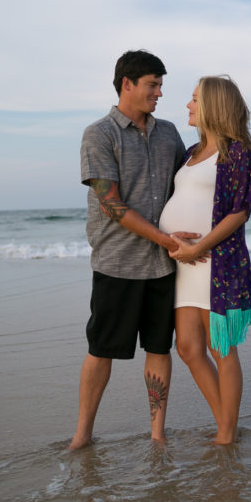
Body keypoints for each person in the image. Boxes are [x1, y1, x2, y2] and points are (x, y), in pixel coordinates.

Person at [69, 49, 201, 450]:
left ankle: (157, 434)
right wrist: (167, 239)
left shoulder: (169, 133)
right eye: (152, 85)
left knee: (159, 349)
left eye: (160, 85)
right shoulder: (99, 134)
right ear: (127, 83)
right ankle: (83, 433)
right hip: (117, 263)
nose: (159, 93)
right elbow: (113, 206)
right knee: (102, 349)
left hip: (163, 266)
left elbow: (189, 180)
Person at [159, 76, 251, 445]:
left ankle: (225, 433)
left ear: (214, 105)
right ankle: (225, 424)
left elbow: (239, 212)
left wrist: (199, 248)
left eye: (193, 100)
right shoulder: (191, 152)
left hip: (213, 265)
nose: (187, 106)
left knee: (221, 348)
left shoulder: (237, 151)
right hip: (184, 265)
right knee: (188, 347)